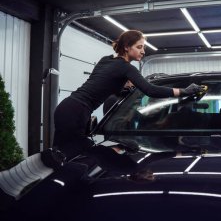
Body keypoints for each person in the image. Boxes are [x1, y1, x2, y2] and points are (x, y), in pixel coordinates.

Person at [52, 30, 205, 162]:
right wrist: (184, 91)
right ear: (126, 47)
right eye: (139, 47)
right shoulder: (126, 67)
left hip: (68, 107)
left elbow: (101, 84)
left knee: (62, 155)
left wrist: (123, 87)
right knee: (70, 156)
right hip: (76, 112)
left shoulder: (106, 60)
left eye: (143, 47)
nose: (143, 51)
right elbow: (150, 90)